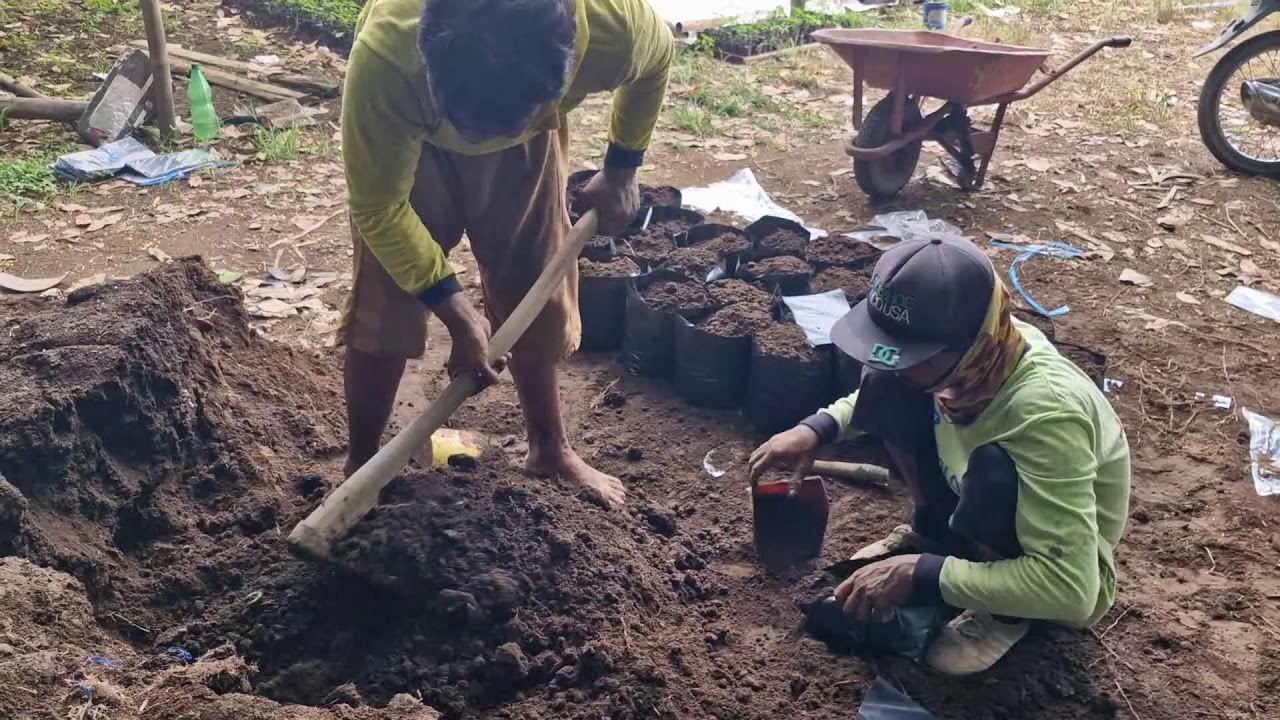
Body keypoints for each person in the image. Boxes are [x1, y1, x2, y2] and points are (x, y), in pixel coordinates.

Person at [338, 0, 674, 506]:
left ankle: (549, 449)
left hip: (528, 130)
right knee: (386, 296)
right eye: (471, 127)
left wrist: (623, 167)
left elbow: (658, 59)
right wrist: (455, 309)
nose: (477, 141)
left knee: (533, 276)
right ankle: (361, 464)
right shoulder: (386, 57)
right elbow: (379, 207)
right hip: (416, 128)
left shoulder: (614, 29)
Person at [748, 234, 1131, 676]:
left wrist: (921, 574)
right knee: (887, 383)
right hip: (971, 486)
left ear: (970, 345)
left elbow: (1072, 591)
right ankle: (938, 536)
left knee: (995, 472)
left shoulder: (1045, 416)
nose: (898, 365)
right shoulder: (977, 362)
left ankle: (1005, 613)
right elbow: (886, 383)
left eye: (915, 356)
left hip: (1053, 557)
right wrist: (817, 428)